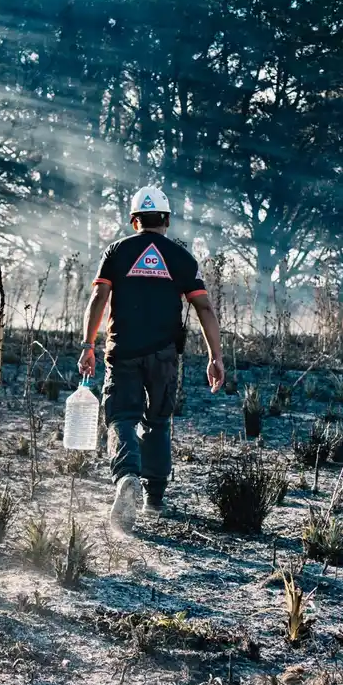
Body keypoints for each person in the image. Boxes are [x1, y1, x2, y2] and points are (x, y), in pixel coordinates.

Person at [78, 186, 224, 530]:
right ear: (167, 220)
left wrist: (87, 345)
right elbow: (203, 306)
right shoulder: (181, 258)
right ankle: (154, 500)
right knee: (158, 421)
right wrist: (216, 356)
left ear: (134, 221)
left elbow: (99, 297)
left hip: (123, 350)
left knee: (122, 417)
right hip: (164, 354)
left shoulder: (117, 251)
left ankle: (127, 476)